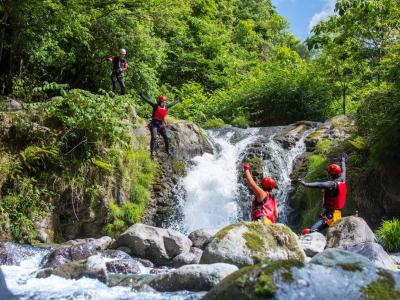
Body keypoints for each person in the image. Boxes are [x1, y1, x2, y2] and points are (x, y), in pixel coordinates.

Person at [298, 153, 348, 234]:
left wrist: (305, 184)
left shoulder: (331, 184)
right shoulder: (342, 179)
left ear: (330, 174)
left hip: (330, 216)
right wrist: (343, 160)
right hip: (337, 214)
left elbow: (320, 184)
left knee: (312, 230)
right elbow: (344, 170)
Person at [138, 93, 182, 157]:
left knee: (166, 138)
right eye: (163, 101)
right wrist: (142, 95)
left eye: (165, 101)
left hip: (161, 125)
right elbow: (148, 101)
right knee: (154, 137)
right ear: (160, 101)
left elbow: (172, 104)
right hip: (154, 124)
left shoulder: (166, 107)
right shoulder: (155, 106)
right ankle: (152, 152)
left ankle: (167, 151)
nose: (164, 103)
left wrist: (178, 100)